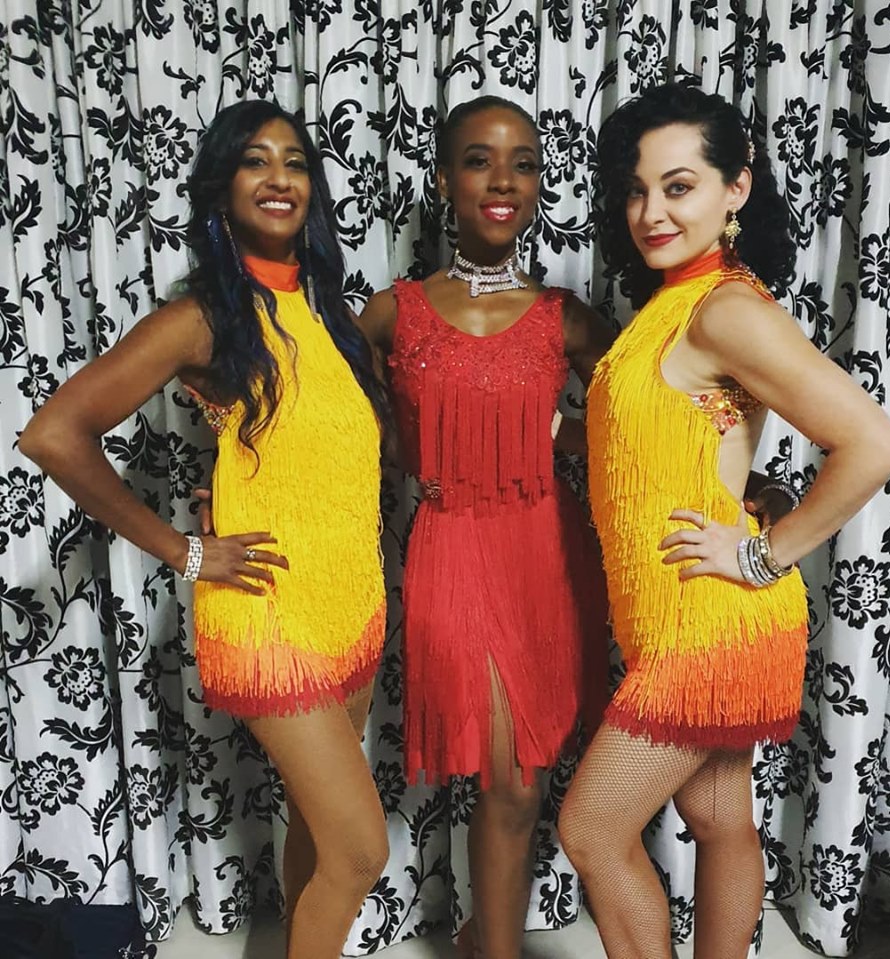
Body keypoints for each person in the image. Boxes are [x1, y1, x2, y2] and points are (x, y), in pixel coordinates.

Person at [19, 100, 391, 959]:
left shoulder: (331, 316)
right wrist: (185, 550)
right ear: (222, 189)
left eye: (294, 161)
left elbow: (337, 457)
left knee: (320, 835)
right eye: (255, 161)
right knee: (362, 851)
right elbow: (54, 433)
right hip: (267, 610)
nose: (279, 177)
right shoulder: (206, 316)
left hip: (352, 605)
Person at [557, 83, 890, 959]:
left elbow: (875, 443)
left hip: (710, 623)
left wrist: (762, 553)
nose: (651, 212)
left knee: (591, 830)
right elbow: (676, 445)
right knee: (718, 818)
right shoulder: (676, 303)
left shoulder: (726, 308)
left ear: (736, 188)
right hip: (676, 617)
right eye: (637, 190)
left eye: (678, 187)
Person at [356, 96, 613, 959]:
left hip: (545, 553)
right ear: (442, 181)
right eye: (479, 160)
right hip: (453, 547)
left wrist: (752, 476)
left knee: (520, 782)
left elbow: (644, 419)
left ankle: (483, 939)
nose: (503, 180)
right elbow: (326, 417)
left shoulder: (563, 315)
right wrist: (235, 488)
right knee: (509, 779)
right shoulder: (394, 312)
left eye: (523, 163)